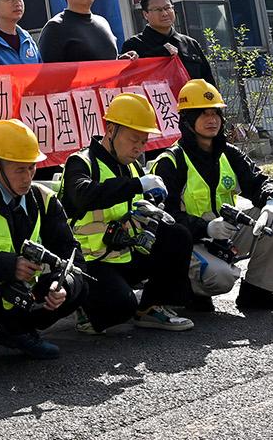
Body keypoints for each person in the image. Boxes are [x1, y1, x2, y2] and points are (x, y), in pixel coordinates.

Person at [0, 119, 101, 377]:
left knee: (80, 286)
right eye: (19, 170)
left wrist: (62, 286)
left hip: (22, 293)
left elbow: (73, 256)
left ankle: (18, 332)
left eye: (31, 168)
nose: (27, 178)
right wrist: (11, 266)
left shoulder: (45, 200)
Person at [150, 80, 273, 313]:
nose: (212, 119)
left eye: (216, 113)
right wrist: (206, 228)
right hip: (187, 242)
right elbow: (163, 219)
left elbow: (260, 182)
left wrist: (271, 203)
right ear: (187, 119)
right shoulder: (171, 162)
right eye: (203, 113)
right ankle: (187, 291)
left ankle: (257, 292)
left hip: (223, 237)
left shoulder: (228, 153)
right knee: (220, 277)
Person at [59, 92, 195, 333]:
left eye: (143, 142)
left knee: (177, 235)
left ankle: (151, 307)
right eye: (134, 139)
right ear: (111, 130)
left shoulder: (132, 167)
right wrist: (137, 185)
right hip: (91, 262)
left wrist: (152, 207)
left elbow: (138, 202)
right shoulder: (81, 162)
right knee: (120, 307)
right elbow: (83, 194)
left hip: (125, 252)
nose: (138, 148)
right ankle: (85, 306)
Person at [36, 0, 126, 64]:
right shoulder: (55, 27)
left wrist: (121, 60)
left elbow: (104, 62)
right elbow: (49, 71)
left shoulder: (103, 22)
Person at [122, 0, 214, 83]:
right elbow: (126, 81)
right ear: (145, 14)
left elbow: (208, 82)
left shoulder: (190, 44)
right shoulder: (133, 45)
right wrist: (159, 53)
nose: (165, 13)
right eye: (158, 10)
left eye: (167, 8)